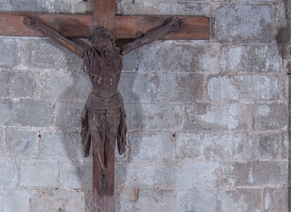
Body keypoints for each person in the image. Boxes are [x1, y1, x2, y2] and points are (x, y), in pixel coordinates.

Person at [24, 13, 182, 195]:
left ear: (108, 38)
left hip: (113, 102)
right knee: (96, 138)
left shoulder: (119, 53)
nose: (99, 44)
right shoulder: (87, 55)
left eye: (101, 40)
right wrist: (39, 27)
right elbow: (62, 41)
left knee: (112, 139)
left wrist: (168, 28)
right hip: (95, 103)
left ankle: (108, 172)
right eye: (96, 42)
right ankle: (102, 172)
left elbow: (144, 41)